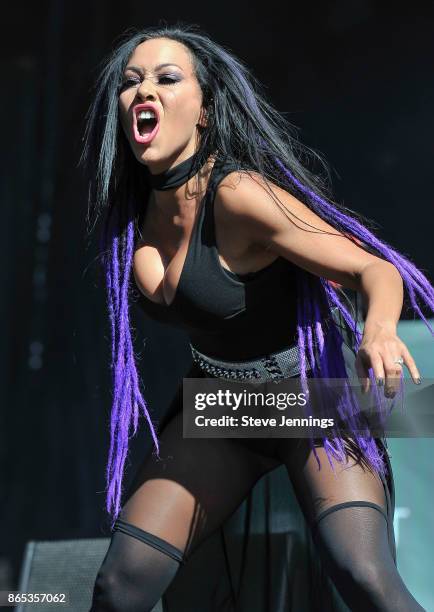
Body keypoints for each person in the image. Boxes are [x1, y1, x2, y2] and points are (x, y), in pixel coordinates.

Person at [80, 23, 433, 612]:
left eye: (168, 79)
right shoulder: (132, 216)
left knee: (363, 575)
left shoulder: (239, 194)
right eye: (131, 82)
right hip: (223, 406)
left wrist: (377, 331)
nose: (144, 92)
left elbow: (375, 271)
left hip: (307, 397)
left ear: (206, 113)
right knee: (120, 586)